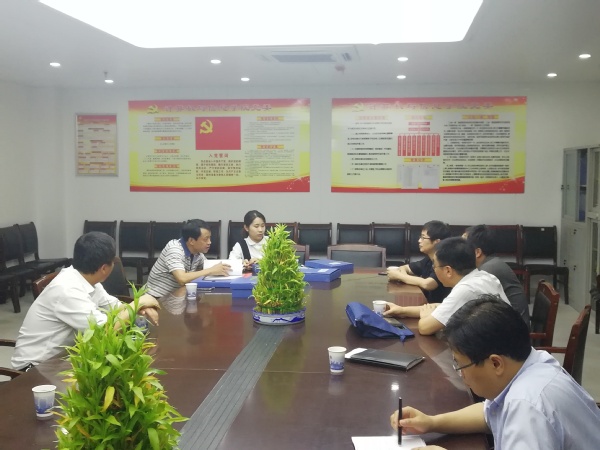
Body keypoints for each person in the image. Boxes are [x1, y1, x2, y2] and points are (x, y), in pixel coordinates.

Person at [390, 296, 600, 450]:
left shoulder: (526, 407)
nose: (462, 376)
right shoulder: (533, 363)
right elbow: (490, 412)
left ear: (496, 364)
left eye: (461, 365)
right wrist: (431, 422)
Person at [11, 232, 160, 370]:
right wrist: (139, 303)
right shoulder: (67, 290)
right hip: (35, 368)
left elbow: (115, 307)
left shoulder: (87, 280)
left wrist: (141, 307)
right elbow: (104, 331)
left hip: (64, 360)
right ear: (104, 268)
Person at [384, 237, 510, 335]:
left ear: (448, 270)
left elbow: (425, 328)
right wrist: (402, 310)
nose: (434, 269)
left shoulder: (466, 289)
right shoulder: (486, 277)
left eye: (435, 266)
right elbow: (444, 308)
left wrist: (426, 316)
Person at [145, 219, 230, 299]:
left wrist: (227, 268)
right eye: (205, 239)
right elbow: (182, 279)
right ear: (191, 241)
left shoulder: (197, 253)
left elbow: (210, 268)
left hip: (176, 296)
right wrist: (211, 270)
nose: (209, 242)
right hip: (156, 299)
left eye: (210, 238)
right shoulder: (174, 249)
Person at [464, 225, 530, 326]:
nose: (459, 249)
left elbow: (465, 304)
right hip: (508, 324)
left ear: (477, 252)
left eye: (463, 246)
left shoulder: (487, 271)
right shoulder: (492, 263)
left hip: (512, 330)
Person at [386, 220, 452, 303]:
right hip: (427, 304)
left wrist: (399, 276)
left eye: (423, 238)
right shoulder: (429, 259)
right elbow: (405, 267)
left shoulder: (445, 261)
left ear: (437, 242)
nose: (419, 241)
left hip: (439, 307)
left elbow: (428, 284)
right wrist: (403, 276)